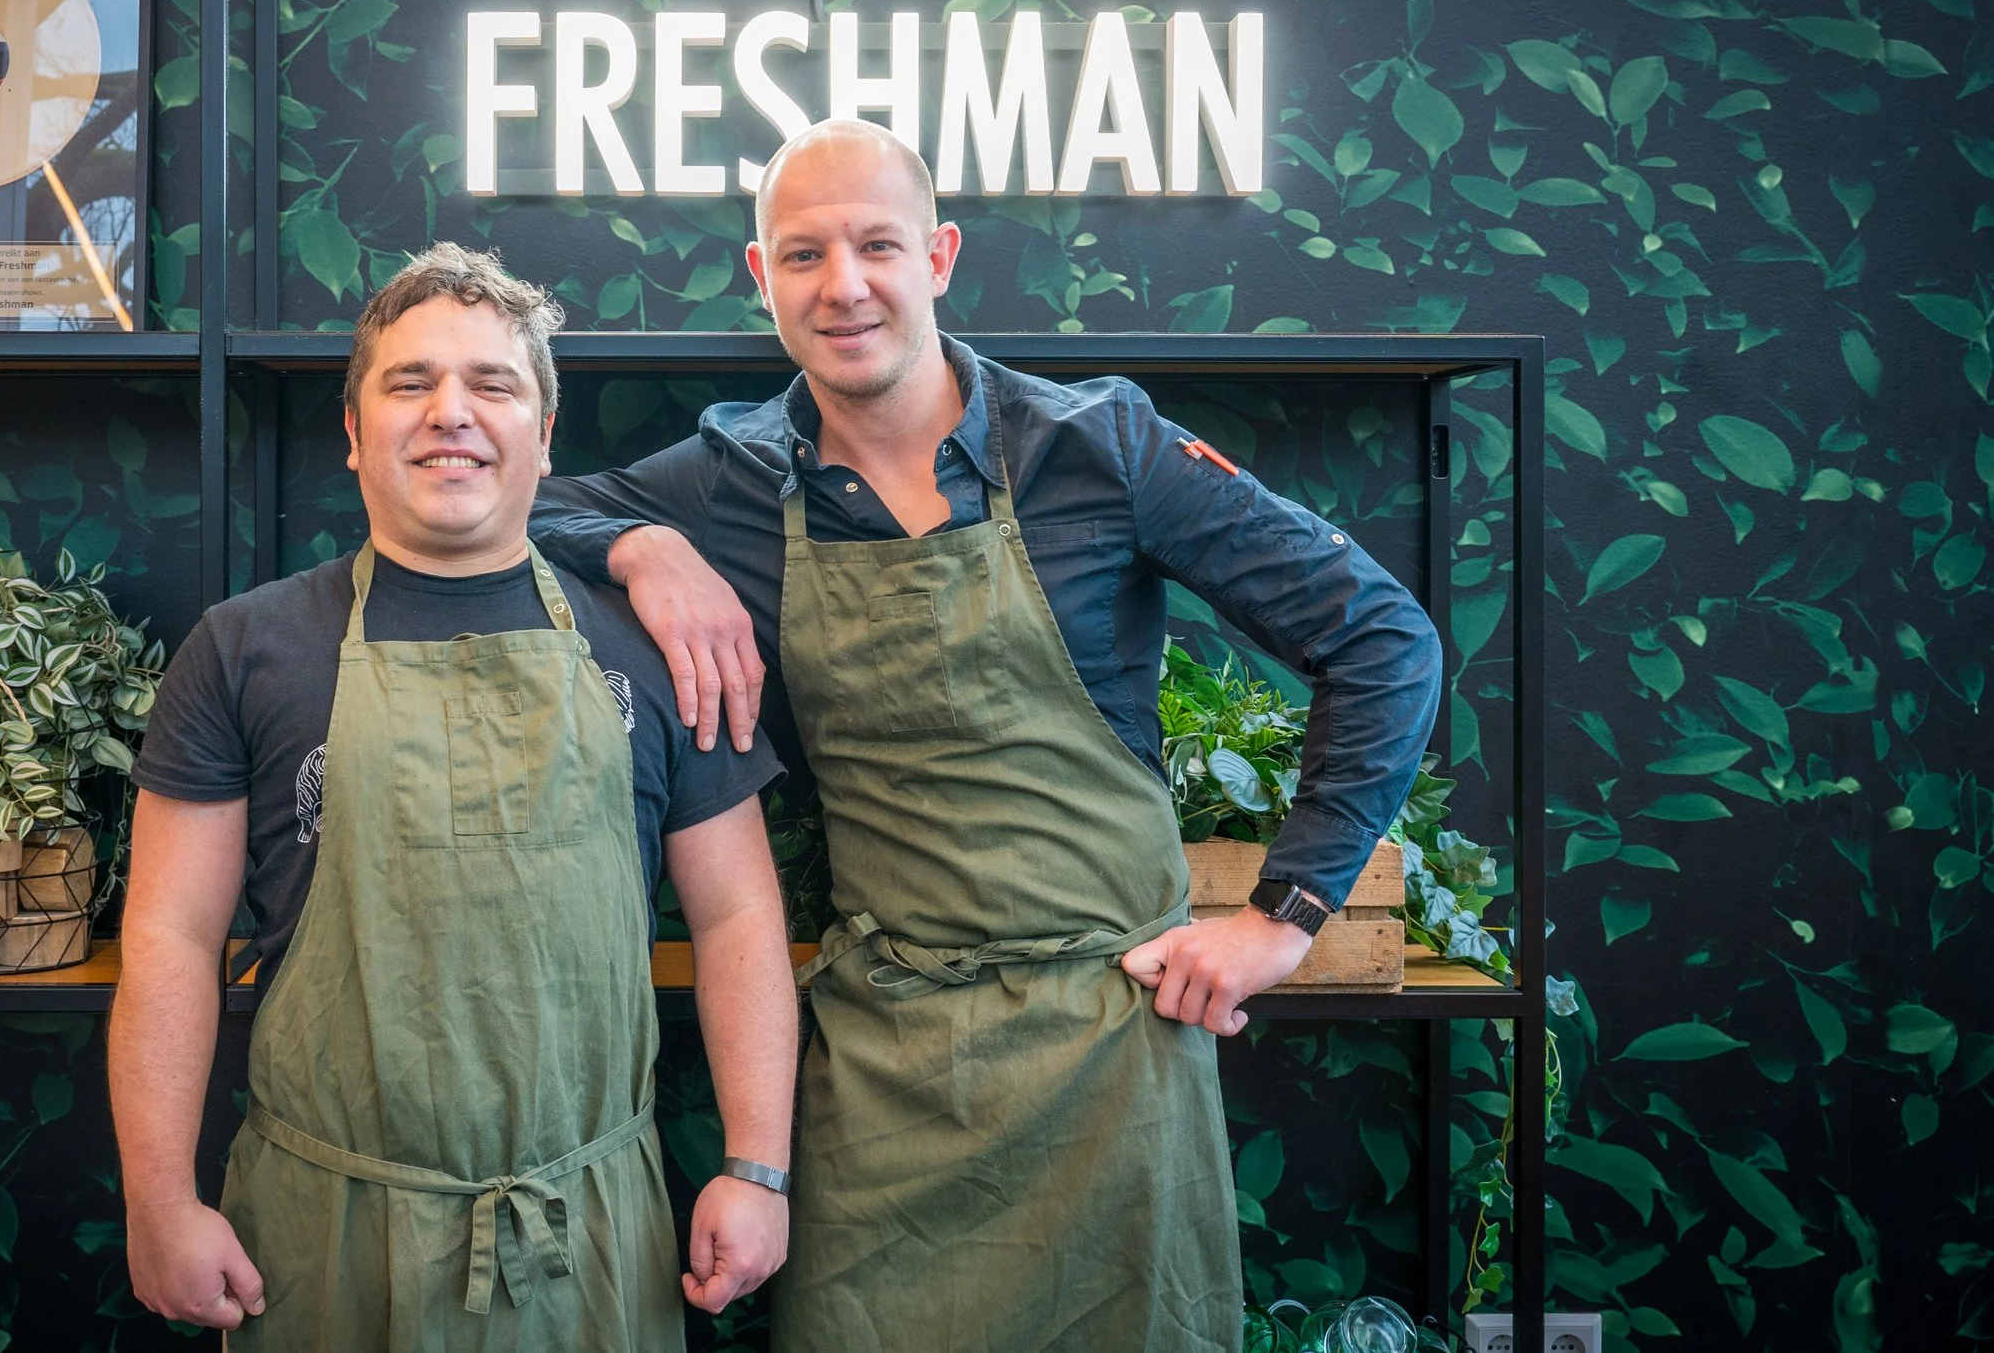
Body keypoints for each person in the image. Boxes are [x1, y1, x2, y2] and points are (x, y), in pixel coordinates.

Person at [528, 119, 1445, 1350]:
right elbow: (506, 504)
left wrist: (1281, 921)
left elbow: (1384, 638)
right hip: (884, 1062)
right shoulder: (728, 478)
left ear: (940, 254)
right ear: (762, 279)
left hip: (1115, 1051)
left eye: (877, 245)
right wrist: (643, 545)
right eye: (803, 255)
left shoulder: (1100, 446)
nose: (842, 284)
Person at [110, 244, 798, 1348]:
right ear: (353, 432)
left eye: (492, 383)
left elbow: (738, 916)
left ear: (542, 434)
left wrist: (756, 1166)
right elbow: (170, 938)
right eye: (408, 381)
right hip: (321, 1235)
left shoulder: (661, 649)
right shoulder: (244, 648)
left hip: (592, 1233)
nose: (450, 412)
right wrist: (158, 1198)